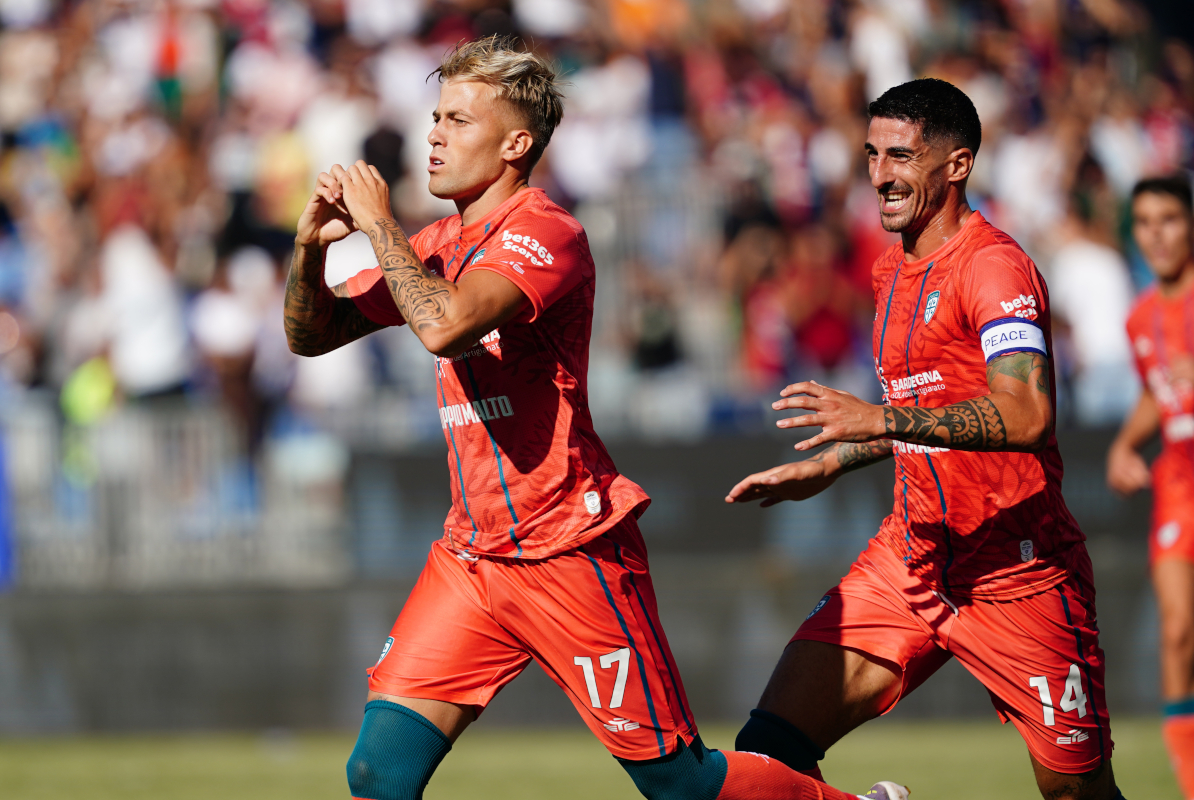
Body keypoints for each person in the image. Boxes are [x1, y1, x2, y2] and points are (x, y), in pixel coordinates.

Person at [283, 36, 904, 800]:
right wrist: (310, 252)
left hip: (569, 549)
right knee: (378, 772)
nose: (434, 135)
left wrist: (379, 225)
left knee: (678, 782)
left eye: (456, 120)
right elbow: (310, 337)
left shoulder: (548, 231)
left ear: (516, 143)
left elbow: (444, 325)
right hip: (473, 559)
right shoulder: (437, 244)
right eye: (435, 116)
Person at [726, 78, 1127, 800]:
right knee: (767, 754)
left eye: (902, 155)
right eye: (872, 153)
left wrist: (875, 420)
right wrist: (834, 461)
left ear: (957, 164)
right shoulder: (888, 270)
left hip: (1016, 573)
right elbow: (930, 411)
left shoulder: (993, 266)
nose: (880, 173)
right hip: (909, 561)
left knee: (1078, 794)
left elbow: (1027, 415)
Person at [1107, 175, 1194, 799]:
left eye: (1168, 219)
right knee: (1176, 630)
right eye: (1144, 222)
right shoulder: (1139, 319)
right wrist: (1121, 445)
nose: (1156, 234)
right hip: (1179, 484)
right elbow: (1156, 394)